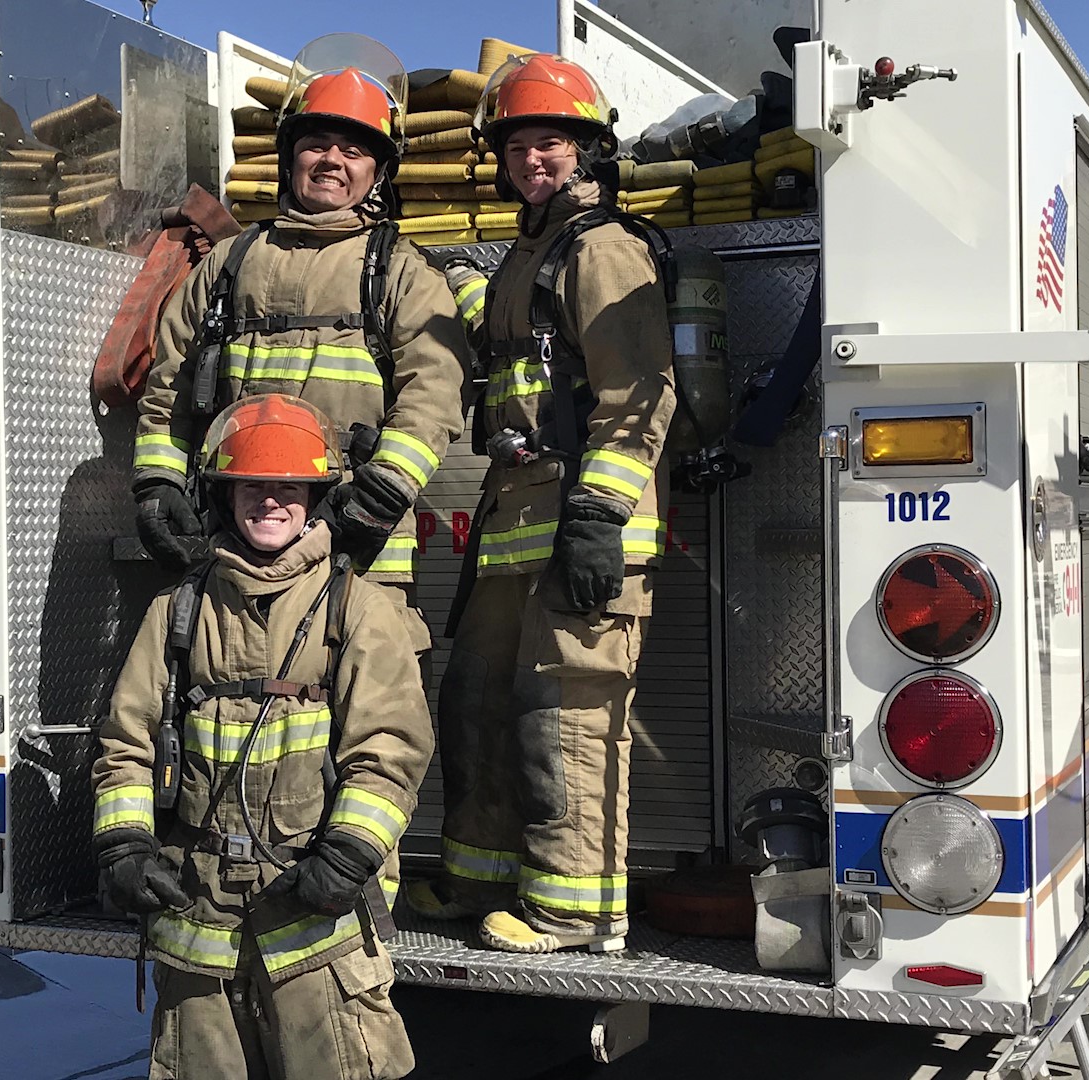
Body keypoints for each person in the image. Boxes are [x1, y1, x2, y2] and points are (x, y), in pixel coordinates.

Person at [402, 54, 676, 955]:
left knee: (566, 723)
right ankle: (478, 876)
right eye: (517, 145)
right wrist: (454, 283)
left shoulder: (603, 247)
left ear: (587, 146)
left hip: (584, 525)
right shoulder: (534, 252)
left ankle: (575, 909)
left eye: (549, 142)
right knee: (479, 698)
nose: (531, 159)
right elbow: (514, 342)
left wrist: (599, 517)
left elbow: (640, 392)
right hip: (515, 525)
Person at [92, 394, 433, 1079]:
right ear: (224, 496)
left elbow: (391, 750)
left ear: (315, 498)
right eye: (254, 486)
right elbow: (125, 742)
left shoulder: (356, 607)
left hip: (315, 923)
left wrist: (348, 856)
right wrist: (125, 845)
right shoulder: (178, 610)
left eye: (289, 488)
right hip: (199, 923)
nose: (271, 503)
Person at [133, 34, 469, 656]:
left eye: (353, 149)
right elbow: (169, 384)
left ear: (378, 170)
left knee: (364, 718)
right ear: (290, 157)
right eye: (316, 143)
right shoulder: (229, 264)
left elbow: (435, 390)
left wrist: (382, 493)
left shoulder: (398, 269)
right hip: (234, 545)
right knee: (232, 708)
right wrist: (158, 483)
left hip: (360, 549)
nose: (332, 160)